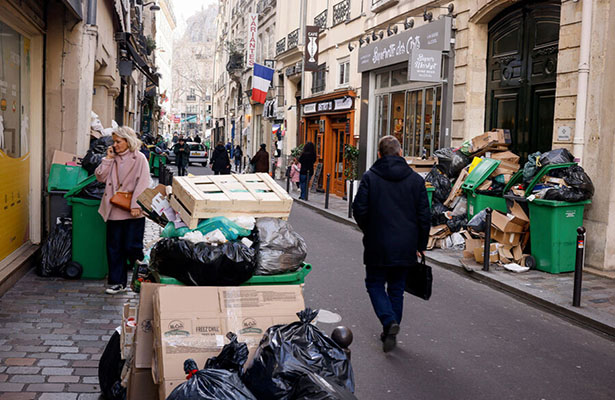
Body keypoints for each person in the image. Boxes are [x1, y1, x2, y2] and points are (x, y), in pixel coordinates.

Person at [352, 136, 431, 352]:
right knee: (397, 288)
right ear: (401, 153)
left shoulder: (370, 177)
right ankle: (391, 327)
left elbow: (358, 209)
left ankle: (389, 322)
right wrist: (421, 243)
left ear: (379, 154)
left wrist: (371, 229)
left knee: (375, 284)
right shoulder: (416, 180)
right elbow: (425, 215)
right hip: (406, 245)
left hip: (378, 243)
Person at [95, 126, 150, 295]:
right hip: (114, 210)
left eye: (118, 141)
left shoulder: (139, 158)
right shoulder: (113, 159)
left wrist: (136, 206)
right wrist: (108, 158)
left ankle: (141, 280)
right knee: (114, 247)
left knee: (133, 248)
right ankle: (117, 282)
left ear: (128, 141)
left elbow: (143, 184)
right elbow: (100, 176)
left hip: (133, 212)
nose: (115, 145)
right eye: (114, 142)